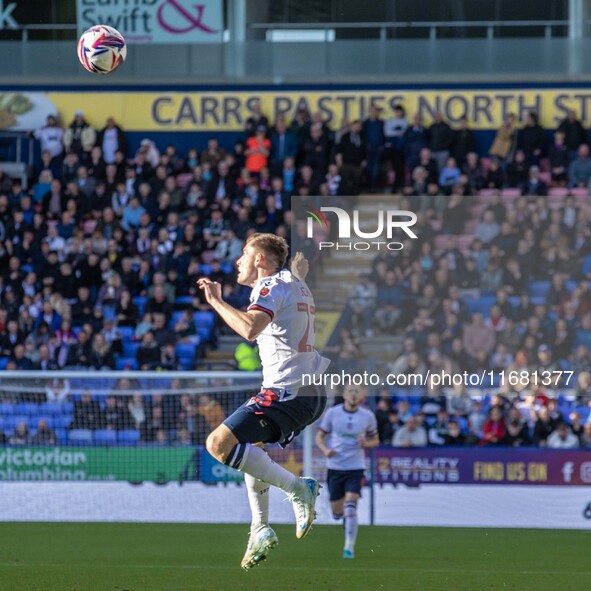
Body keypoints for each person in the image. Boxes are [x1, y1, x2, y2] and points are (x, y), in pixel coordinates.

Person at [198, 241, 330, 571]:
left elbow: (249, 328)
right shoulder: (294, 283)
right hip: (310, 392)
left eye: (243, 255)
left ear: (258, 259)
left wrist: (216, 301)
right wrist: (299, 271)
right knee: (250, 450)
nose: (238, 262)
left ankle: (299, 488)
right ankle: (259, 528)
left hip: (288, 391)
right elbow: (292, 285)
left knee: (218, 444)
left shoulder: (269, 284)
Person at [315, 385, 379, 559]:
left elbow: (375, 440)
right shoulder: (333, 413)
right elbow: (319, 437)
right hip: (335, 467)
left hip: (355, 467)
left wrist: (366, 443)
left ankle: (348, 548)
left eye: (356, 391)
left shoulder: (367, 416)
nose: (353, 394)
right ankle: (342, 517)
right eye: (350, 391)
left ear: (361, 396)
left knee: (351, 505)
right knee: (337, 512)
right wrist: (326, 450)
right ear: (344, 395)